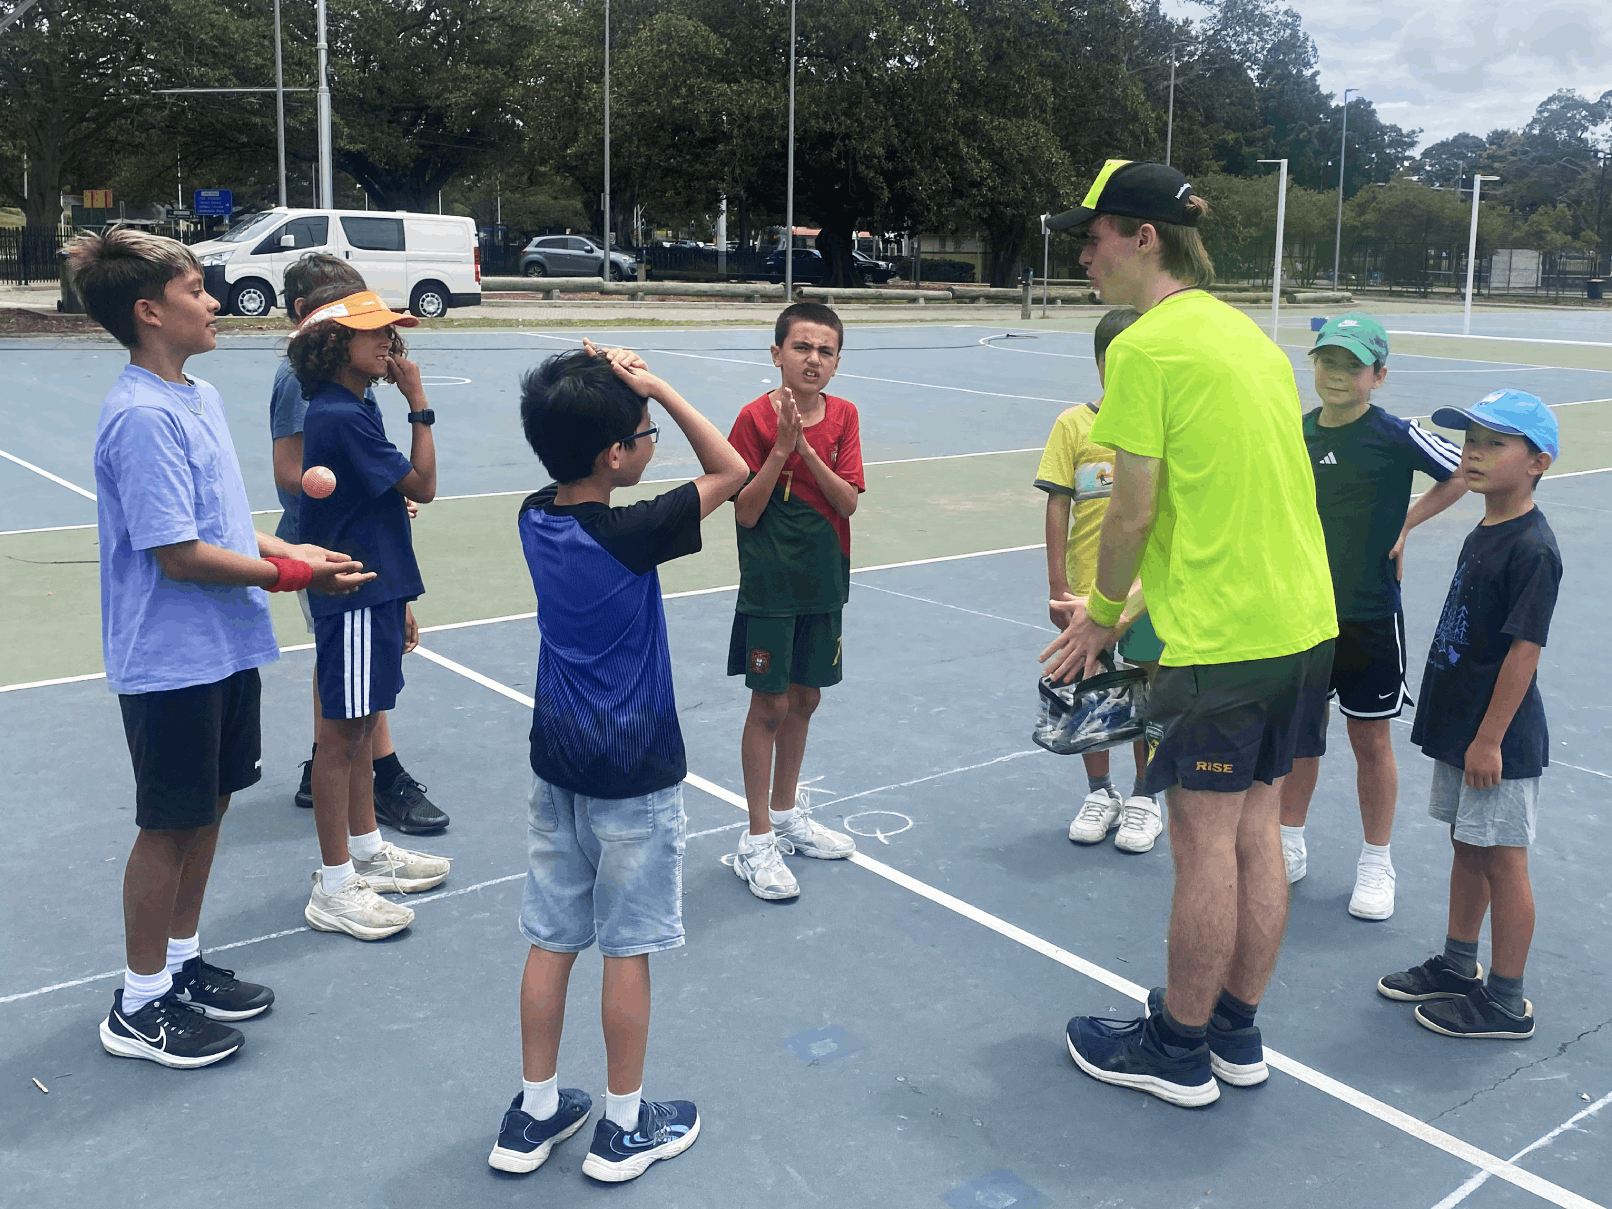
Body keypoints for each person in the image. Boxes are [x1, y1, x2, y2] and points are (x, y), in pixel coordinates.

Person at [1040, 159, 1336, 1107]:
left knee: (1204, 845)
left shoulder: (1145, 349)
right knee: (1257, 832)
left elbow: (1131, 511)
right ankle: (1235, 1032)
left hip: (1221, 641)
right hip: (1299, 623)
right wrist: (1133, 610)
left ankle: (1176, 1047)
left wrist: (1097, 608)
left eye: (1093, 237)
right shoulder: (1250, 336)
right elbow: (1213, 510)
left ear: (1144, 238)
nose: (1082, 255)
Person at [71, 228, 371, 1068]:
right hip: (169, 657)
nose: (212, 302)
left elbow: (223, 528)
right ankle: (137, 1004)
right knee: (169, 824)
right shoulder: (138, 417)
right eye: (197, 289)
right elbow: (179, 553)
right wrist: (288, 575)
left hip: (223, 647)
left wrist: (288, 550)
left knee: (210, 808)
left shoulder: (194, 397)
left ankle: (176, 963)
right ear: (149, 311)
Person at [495, 340, 746, 1181]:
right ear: (615, 454)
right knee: (625, 949)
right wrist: (661, 385)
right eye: (643, 434)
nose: (652, 444)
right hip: (633, 774)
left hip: (557, 763)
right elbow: (734, 466)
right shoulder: (635, 532)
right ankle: (625, 1125)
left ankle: (533, 1113)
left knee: (552, 938)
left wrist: (609, 390)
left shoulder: (535, 514)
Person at [1378, 391, 1560, 1041]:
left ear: (1537, 462)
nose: (1473, 453)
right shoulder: (1486, 528)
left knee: (1503, 857)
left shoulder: (1533, 548)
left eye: (1493, 443)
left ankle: (1506, 999)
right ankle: (1459, 962)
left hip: (1497, 738)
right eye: (1471, 440)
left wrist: (1489, 739)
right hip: (1463, 726)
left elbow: (1525, 650)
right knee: (1467, 843)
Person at [1278, 314, 1466, 919]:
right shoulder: (1293, 432)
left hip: (1368, 615)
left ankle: (1376, 862)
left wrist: (1407, 523)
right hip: (1302, 614)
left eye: (1352, 365)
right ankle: (1288, 843)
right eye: (1327, 360)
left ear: (1378, 376)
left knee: (1369, 739)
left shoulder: (1394, 433)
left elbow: (1463, 471)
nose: (1336, 374)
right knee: (1302, 737)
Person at [288, 290, 450, 941]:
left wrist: (398, 596)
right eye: (376, 334)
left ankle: (366, 849)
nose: (390, 344)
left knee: (361, 726)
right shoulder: (339, 414)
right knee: (342, 738)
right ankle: (335, 883)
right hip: (351, 594)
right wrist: (420, 402)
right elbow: (423, 485)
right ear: (334, 347)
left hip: (373, 590)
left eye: (391, 333)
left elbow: (373, 507)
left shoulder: (351, 406)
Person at [726, 302, 864, 901]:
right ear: (776, 353)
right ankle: (756, 839)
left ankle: (786, 815)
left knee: (806, 698)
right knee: (770, 707)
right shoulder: (752, 420)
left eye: (825, 351)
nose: (813, 359)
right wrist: (781, 447)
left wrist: (805, 448)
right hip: (770, 585)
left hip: (825, 578)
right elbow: (746, 509)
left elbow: (849, 503)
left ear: (836, 362)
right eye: (801, 347)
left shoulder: (845, 418)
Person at [1037, 305, 1165, 853]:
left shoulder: (1161, 431)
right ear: (1099, 363)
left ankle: (1145, 797)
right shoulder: (1074, 425)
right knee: (1090, 687)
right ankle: (1100, 791)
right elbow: (1057, 507)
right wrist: (1057, 585)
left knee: (1149, 689)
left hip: (1146, 596)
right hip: (1086, 594)